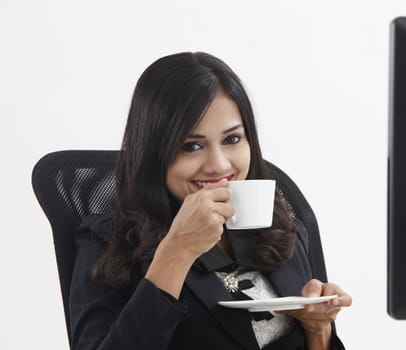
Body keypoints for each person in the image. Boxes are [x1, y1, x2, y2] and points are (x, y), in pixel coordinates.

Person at [69, 52, 351, 350]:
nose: (218, 165)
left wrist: (318, 330)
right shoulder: (108, 242)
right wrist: (177, 251)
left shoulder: (280, 227)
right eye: (192, 146)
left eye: (231, 140)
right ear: (154, 155)